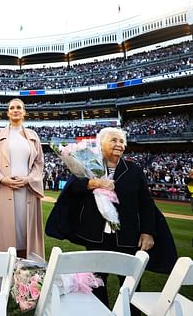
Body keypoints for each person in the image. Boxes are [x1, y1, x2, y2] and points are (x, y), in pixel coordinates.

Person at [46, 127, 156, 316]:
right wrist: (93, 183)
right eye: (114, 140)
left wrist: (147, 231)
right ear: (101, 143)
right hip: (96, 235)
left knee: (130, 283)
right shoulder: (88, 166)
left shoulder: (134, 171)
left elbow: (147, 203)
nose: (119, 145)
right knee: (96, 282)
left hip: (127, 236)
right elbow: (72, 189)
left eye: (122, 141)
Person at [0, 99, 45, 276]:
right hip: (4, 191)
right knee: (2, 236)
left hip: (27, 192)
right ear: (8, 113)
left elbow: (39, 164)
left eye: (19, 108)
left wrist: (28, 179)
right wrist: (2, 179)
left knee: (25, 235)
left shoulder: (33, 136)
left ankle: (27, 279)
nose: (15, 110)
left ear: (24, 112)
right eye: (12, 108)